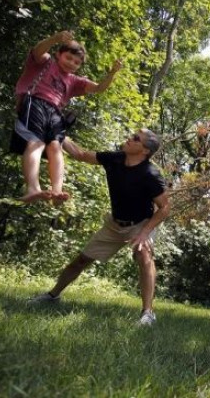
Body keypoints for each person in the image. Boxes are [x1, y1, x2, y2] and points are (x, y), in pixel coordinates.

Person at [28, 129, 170, 326]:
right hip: (114, 224)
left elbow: (164, 208)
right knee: (80, 261)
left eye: (136, 138)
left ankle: (148, 313)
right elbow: (80, 154)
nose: (129, 138)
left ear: (145, 150)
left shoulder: (150, 174)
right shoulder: (115, 159)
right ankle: (52, 296)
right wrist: (58, 132)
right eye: (132, 134)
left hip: (139, 224)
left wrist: (145, 233)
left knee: (144, 255)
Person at [11, 30, 122, 204]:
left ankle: (57, 191)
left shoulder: (74, 81)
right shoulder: (46, 63)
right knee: (37, 143)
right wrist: (55, 38)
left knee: (55, 147)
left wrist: (112, 74)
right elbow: (37, 51)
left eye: (77, 62)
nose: (72, 63)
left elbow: (99, 88)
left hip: (56, 112)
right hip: (36, 102)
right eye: (68, 58)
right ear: (58, 54)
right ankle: (32, 188)